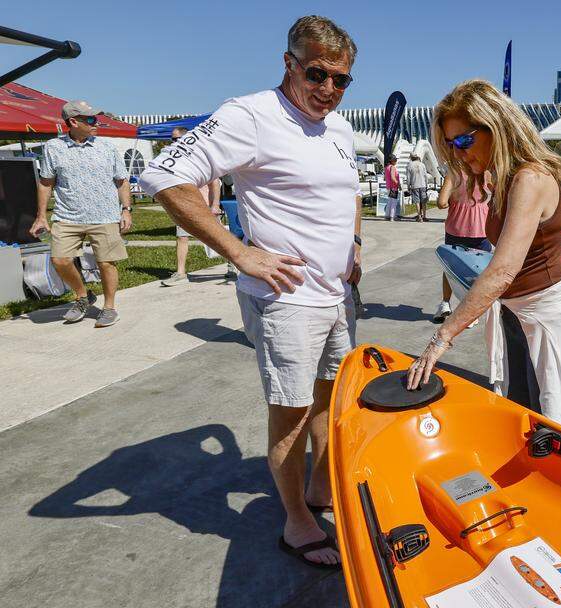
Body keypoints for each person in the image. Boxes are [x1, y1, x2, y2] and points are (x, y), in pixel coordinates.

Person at [139, 15, 362, 569]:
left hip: (336, 294)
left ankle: (319, 488)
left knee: (331, 398)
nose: (329, 90)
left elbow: (350, 190)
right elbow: (166, 176)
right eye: (318, 74)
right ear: (288, 63)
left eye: (342, 81)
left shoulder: (339, 128)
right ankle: (296, 522)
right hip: (285, 298)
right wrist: (238, 252)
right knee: (290, 409)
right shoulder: (252, 115)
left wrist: (354, 245)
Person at [407, 79, 561, 427]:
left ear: (496, 125)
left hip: (545, 322)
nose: (460, 152)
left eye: (465, 140)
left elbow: (502, 271)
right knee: (521, 419)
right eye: (452, 145)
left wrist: (442, 337)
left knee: (546, 431)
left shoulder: (530, 178)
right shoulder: (500, 177)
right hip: (517, 316)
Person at [30, 100, 132, 328]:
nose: (97, 123)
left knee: (106, 263)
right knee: (60, 260)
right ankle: (82, 296)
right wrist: (41, 216)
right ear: (73, 122)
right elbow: (46, 184)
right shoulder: (53, 148)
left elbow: (122, 181)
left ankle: (109, 307)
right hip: (67, 217)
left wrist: (126, 209)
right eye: (91, 119)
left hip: (105, 216)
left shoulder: (107, 147)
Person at [160, 126, 222, 286]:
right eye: (172, 139)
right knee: (182, 237)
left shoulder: (201, 157)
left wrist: (215, 205)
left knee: (218, 238)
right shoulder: (174, 160)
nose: (172, 142)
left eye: (175, 139)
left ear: (185, 139)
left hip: (205, 206)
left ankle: (233, 266)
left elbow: (215, 183)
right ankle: (180, 272)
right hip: (185, 206)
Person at [434, 167, 490, 323]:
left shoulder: (453, 174)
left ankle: (445, 303)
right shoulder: (486, 173)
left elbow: (441, 202)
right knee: (478, 272)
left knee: (450, 268)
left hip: (456, 229)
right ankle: (471, 311)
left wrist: (454, 201)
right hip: (481, 228)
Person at [406, 153, 429, 222]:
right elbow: (425, 176)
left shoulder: (409, 165)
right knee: (424, 202)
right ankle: (424, 216)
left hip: (414, 185)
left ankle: (419, 216)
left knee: (417, 202)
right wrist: (426, 184)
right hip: (423, 185)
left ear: (411, 158)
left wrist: (408, 186)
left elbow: (408, 178)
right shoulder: (422, 164)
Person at [383, 154, 401, 221]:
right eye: (395, 160)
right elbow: (393, 178)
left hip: (388, 187)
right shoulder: (392, 167)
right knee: (394, 202)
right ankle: (392, 216)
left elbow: (385, 178)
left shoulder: (386, 167)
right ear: (393, 161)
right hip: (393, 187)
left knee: (389, 202)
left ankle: (387, 215)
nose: (396, 162)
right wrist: (398, 184)